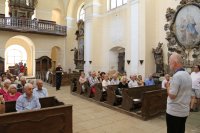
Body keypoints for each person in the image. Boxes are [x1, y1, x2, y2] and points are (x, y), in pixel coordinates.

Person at [165, 52, 192, 133]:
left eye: (170, 62)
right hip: (184, 111)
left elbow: (172, 95)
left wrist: (167, 86)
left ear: (174, 63)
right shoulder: (187, 74)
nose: (169, 65)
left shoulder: (177, 76)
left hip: (174, 112)